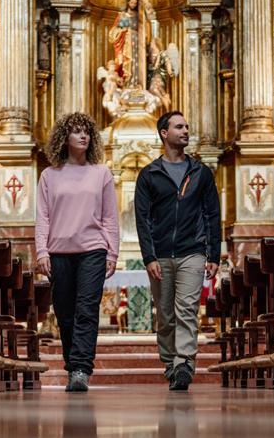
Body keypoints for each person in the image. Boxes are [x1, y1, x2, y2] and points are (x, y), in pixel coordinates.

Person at [134, 111, 221, 391]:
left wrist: (214, 254)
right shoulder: (149, 175)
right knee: (165, 314)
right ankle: (170, 362)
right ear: (164, 133)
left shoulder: (200, 173)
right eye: (179, 127)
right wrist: (148, 257)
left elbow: (212, 215)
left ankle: (185, 363)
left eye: (187, 126)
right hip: (160, 254)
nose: (186, 131)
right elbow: (142, 219)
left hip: (192, 251)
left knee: (186, 309)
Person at [35, 112, 119, 393]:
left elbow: (110, 217)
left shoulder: (102, 173)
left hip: (93, 250)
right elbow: (43, 217)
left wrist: (112, 252)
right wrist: (41, 252)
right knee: (65, 313)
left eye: (86, 131)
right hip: (58, 252)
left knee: (86, 310)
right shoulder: (49, 175)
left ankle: (81, 368)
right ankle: (72, 364)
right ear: (64, 138)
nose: (82, 136)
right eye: (76, 131)